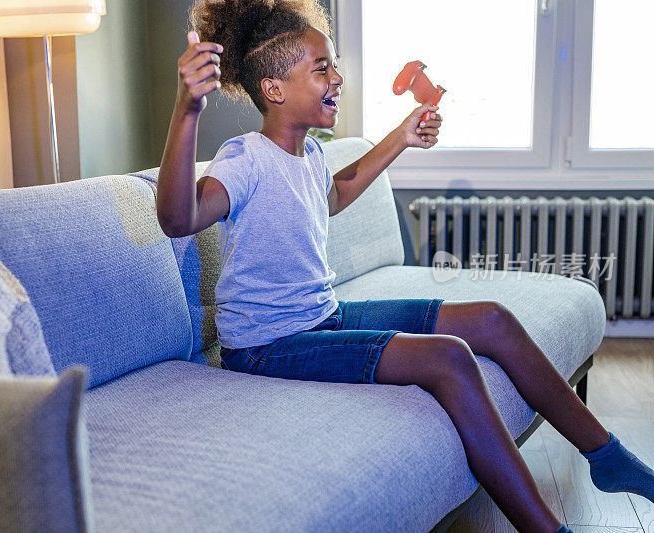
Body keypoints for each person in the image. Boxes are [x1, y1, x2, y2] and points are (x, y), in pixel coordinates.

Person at [154, 1, 654, 531]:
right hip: (266, 345)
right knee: (450, 358)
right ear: (274, 88)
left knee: (492, 320)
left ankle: (608, 457)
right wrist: (186, 110)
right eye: (321, 67)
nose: (337, 77)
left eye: (333, 64)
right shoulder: (244, 158)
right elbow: (177, 217)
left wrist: (403, 135)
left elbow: (336, 193)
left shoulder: (309, 156)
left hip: (321, 316)